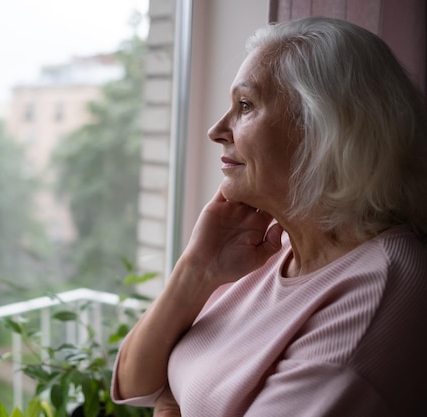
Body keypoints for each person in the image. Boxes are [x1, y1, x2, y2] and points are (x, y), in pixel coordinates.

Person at [111, 16, 427, 417]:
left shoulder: (373, 298)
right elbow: (135, 383)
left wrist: (171, 405)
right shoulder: (271, 245)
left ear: (323, 130)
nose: (216, 130)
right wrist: (196, 267)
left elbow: (164, 395)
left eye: (245, 106)